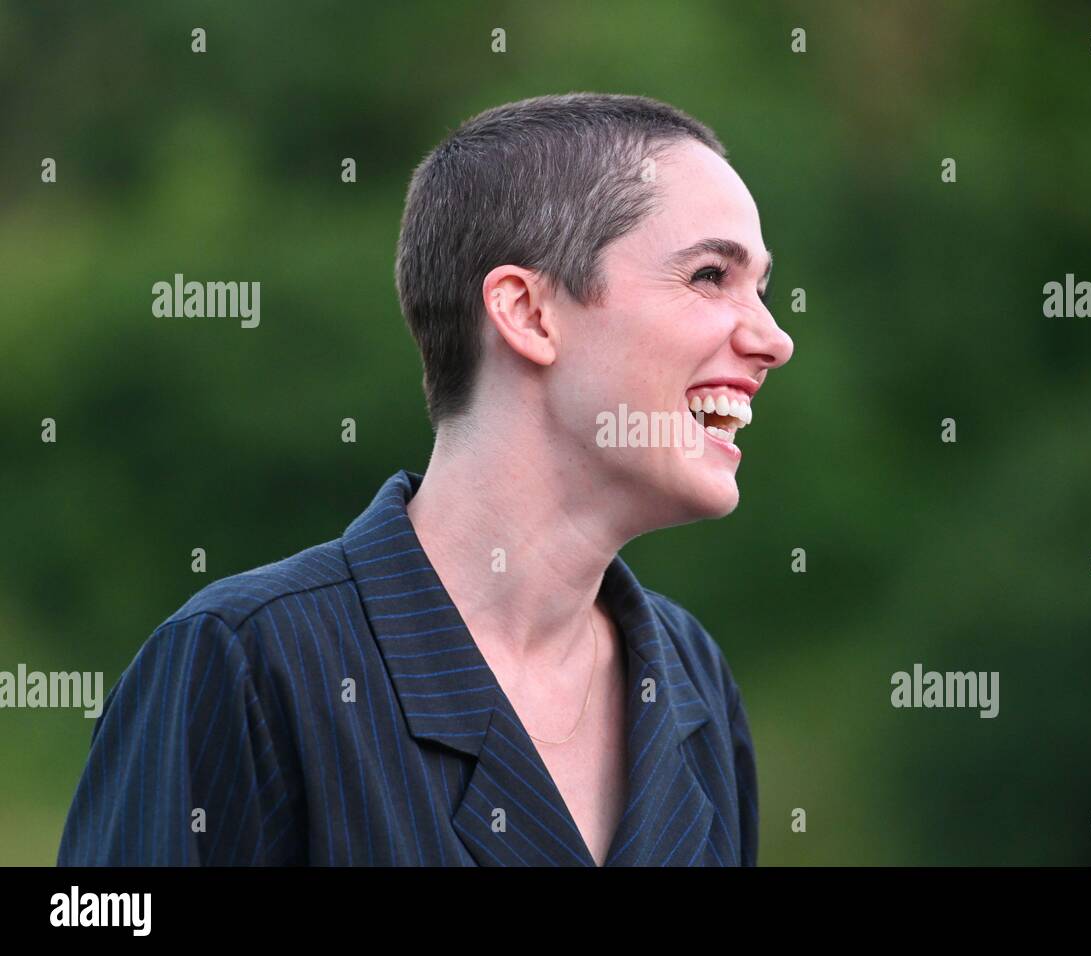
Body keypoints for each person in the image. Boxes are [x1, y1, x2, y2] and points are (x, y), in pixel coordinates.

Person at [57, 91, 794, 866]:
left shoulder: (692, 683)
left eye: (763, 289)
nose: (773, 339)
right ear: (528, 313)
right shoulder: (245, 665)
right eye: (711, 275)